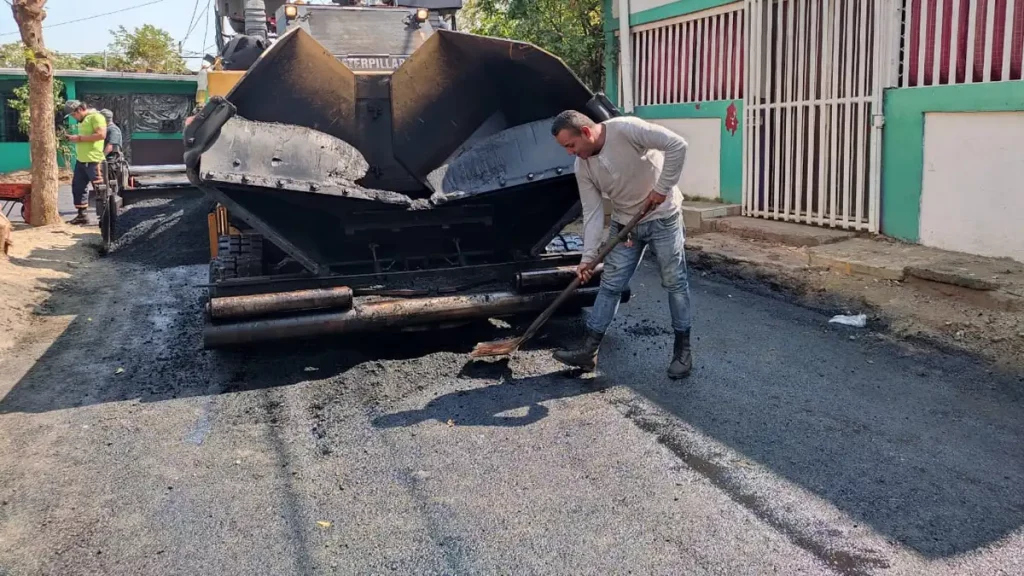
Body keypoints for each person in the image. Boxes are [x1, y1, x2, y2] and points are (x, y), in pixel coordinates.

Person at [550, 110, 693, 379]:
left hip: (663, 218)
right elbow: (592, 214)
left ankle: (682, 352)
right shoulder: (583, 167)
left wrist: (662, 188)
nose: (569, 152)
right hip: (625, 226)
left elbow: (677, 145)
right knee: (610, 285)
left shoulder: (626, 129)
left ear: (586, 132)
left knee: (675, 282)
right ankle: (589, 351)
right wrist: (588, 258)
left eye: (570, 145)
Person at [65, 100, 107, 225]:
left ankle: (106, 217)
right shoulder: (83, 121)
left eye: (73, 115)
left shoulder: (96, 117)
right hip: (81, 160)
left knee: (100, 190)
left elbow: (101, 135)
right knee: (78, 188)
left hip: (94, 160)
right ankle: (81, 215)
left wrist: (79, 138)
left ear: (79, 110)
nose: (73, 117)